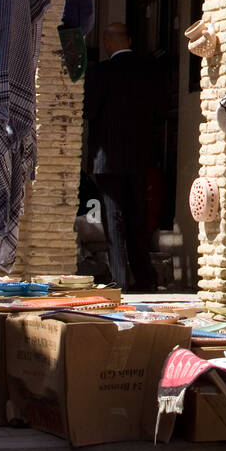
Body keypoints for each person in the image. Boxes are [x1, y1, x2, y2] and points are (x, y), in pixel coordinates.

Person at [84, 22, 161, 292]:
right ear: (128, 40)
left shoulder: (100, 72)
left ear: (107, 43)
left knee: (113, 219)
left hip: (108, 160)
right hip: (139, 157)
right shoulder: (149, 70)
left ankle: (120, 280)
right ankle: (145, 278)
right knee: (137, 218)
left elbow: (89, 110)